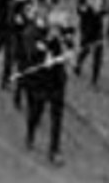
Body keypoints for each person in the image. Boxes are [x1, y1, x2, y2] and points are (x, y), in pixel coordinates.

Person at [24, 9, 73, 165]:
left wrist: (66, 52)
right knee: (36, 112)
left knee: (57, 118)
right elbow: (32, 56)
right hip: (41, 82)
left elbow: (69, 47)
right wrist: (45, 59)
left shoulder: (60, 35)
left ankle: (54, 150)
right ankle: (30, 134)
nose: (54, 29)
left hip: (57, 81)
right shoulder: (31, 33)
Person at [75, 0, 108, 85]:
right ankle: (78, 63)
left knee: (98, 52)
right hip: (86, 26)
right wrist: (86, 8)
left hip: (98, 27)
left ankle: (95, 77)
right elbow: (79, 10)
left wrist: (100, 11)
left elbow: (106, 10)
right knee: (85, 48)